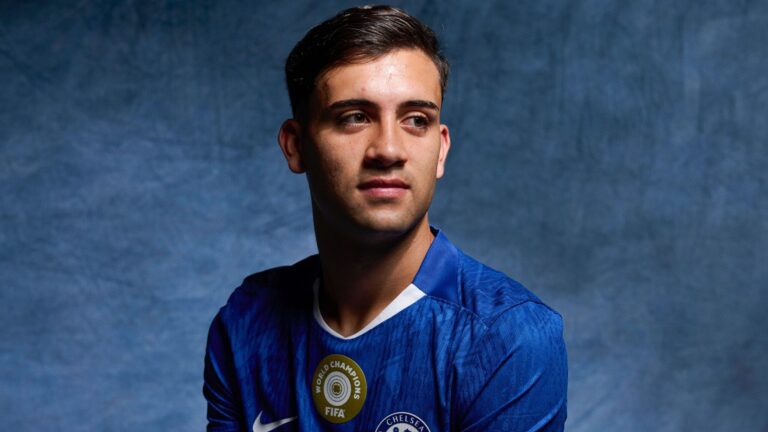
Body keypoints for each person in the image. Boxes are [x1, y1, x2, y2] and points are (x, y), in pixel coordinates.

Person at [204, 5, 567, 431]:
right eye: (354, 118)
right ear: (296, 146)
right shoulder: (246, 322)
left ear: (441, 149)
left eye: (416, 120)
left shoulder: (508, 338)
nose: (389, 150)